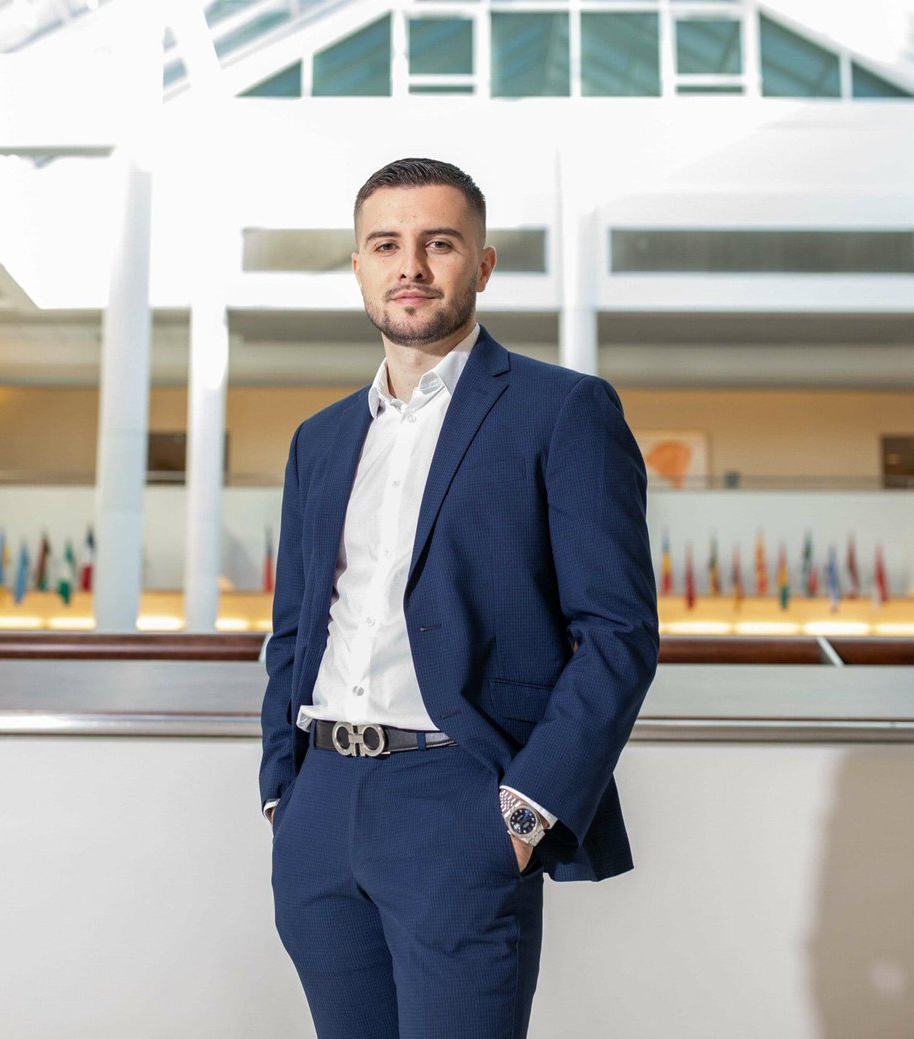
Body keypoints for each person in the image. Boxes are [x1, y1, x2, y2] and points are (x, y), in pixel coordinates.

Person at [259, 157, 658, 1039]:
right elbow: (294, 630)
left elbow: (619, 633)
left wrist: (525, 810)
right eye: (385, 245)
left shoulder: (563, 410)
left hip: (458, 802)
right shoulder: (320, 440)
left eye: (438, 243)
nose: (410, 265)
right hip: (321, 805)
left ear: (481, 264)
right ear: (358, 267)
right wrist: (283, 792)